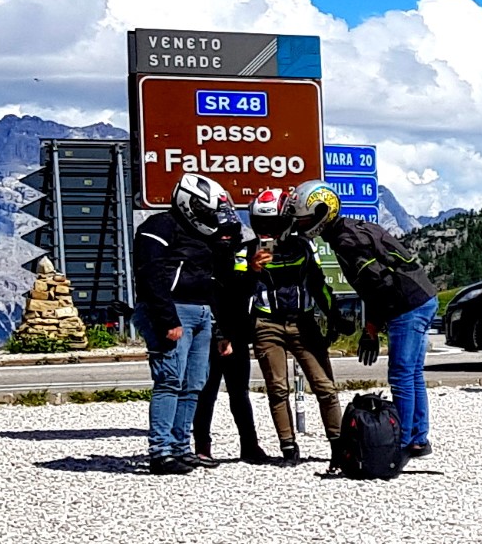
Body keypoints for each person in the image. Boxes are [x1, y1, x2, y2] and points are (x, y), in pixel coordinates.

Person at [305, 185, 443, 460]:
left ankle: (401, 444)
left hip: (406, 304)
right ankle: (418, 439)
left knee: (402, 375)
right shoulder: (353, 228)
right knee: (413, 374)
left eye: (306, 218)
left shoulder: (346, 241)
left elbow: (379, 285)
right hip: (423, 295)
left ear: (322, 214)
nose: (303, 223)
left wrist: (372, 328)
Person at [134, 172, 231, 476]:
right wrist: (167, 318)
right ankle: (160, 451)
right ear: (189, 203)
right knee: (169, 380)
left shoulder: (205, 235)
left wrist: (220, 330)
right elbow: (150, 274)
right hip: (174, 312)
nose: (209, 217)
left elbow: (215, 282)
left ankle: (180, 448)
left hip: (203, 313)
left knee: (194, 384)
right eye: (205, 210)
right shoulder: (158, 226)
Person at [246, 189, 342, 463]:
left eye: (272, 223)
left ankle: (338, 446)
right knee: (277, 389)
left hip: (304, 322)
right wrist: (251, 270)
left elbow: (318, 284)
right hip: (266, 325)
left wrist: (334, 315)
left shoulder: (305, 246)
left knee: (325, 387)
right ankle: (288, 448)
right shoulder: (249, 250)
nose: (266, 229)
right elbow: (235, 292)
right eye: (260, 223)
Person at [195, 209, 273, 465]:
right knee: (207, 393)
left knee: (240, 393)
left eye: (231, 233)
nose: (227, 238)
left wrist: (254, 270)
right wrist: (219, 333)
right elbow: (214, 298)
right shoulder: (205, 254)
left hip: (237, 333)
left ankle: (249, 446)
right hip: (210, 332)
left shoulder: (245, 248)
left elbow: (244, 294)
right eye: (223, 233)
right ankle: (202, 447)